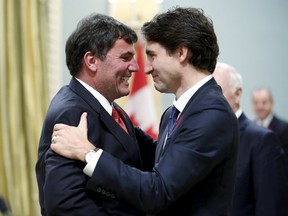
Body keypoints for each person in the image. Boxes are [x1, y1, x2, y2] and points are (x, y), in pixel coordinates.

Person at [51, 7, 239, 215]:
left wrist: (88, 153)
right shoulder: (173, 113)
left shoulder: (211, 113)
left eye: (152, 56)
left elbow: (157, 191)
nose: (145, 68)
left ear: (181, 53)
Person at [35, 13, 156, 216]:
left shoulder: (109, 107)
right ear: (91, 61)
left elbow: (150, 155)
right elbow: (65, 205)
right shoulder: (72, 113)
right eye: (125, 57)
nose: (135, 67)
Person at [213, 62, 288, 216]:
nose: (209, 98)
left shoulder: (263, 140)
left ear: (238, 94)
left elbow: (270, 207)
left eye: (217, 90)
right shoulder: (202, 136)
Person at [252, 86, 288, 154]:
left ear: (272, 103)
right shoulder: (249, 128)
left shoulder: (284, 129)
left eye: (264, 102)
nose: (260, 106)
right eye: (256, 102)